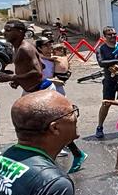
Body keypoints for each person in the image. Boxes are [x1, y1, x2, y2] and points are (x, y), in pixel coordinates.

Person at [37, 38, 87, 175]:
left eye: (50, 44)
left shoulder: (53, 59)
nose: (50, 47)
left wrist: (52, 80)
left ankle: (75, 153)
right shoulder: (40, 59)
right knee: (49, 127)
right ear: (39, 48)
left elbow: (62, 76)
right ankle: (70, 153)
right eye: (46, 45)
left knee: (56, 126)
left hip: (55, 94)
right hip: (45, 94)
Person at [0, 19, 45, 95]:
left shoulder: (25, 49)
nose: (4, 33)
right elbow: (42, 65)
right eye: (4, 30)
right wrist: (19, 81)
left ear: (20, 32)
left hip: (39, 90)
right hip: (30, 90)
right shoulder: (16, 47)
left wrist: (11, 77)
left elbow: (37, 72)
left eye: (8, 30)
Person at [92, 27, 118, 139]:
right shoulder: (101, 49)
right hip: (109, 80)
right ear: (104, 36)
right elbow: (101, 62)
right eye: (110, 34)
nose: (113, 36)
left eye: (114, 34)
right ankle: (100, 127)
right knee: (106, 103)